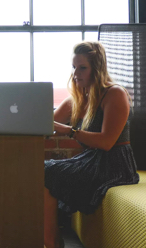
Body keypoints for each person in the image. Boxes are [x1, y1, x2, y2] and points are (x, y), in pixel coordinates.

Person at [43, 41, 139, 248]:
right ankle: (52, 241)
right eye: (74, 67)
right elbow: (46, 126)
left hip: (115, 163)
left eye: (82, 67)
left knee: (46, 172)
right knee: (42, 171)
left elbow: (106, 142)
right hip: (91, 160)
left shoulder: (114, 94)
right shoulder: (78, 98)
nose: (76, 73)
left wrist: (69, 130)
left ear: (97, 69)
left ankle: (51, 243)